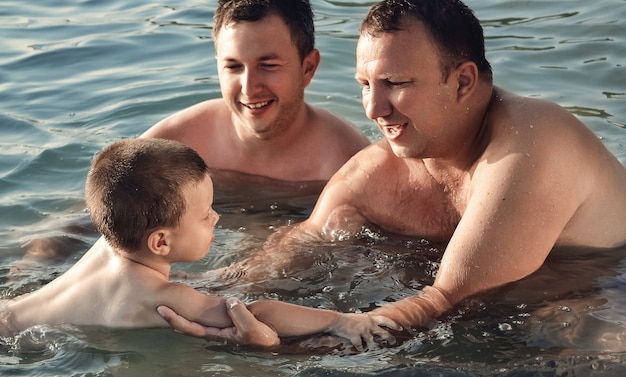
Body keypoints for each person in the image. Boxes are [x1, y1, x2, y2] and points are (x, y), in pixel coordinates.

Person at [159, 0, 626, 338]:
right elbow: (290, 252)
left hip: (606, 291)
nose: (373, 109)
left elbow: (443, 303)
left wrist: (279, 346)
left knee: (588, 342)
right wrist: (176, 294)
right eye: (365, 84)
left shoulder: (534, 142)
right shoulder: (380, 168)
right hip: (493, 310)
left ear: (463, 81)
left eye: (395, 83)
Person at [0, 138, 400, 350]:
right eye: (205, 214)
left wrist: (203, 277)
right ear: (160, 241)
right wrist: (343, 321)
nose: (216, 218)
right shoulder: (161, 296)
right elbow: (252, 313)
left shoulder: (108, 246)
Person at [142, 0, 369, 182]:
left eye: (268, 65)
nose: (249, 89)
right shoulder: (176, 145)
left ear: (308, 68)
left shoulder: (348, 164)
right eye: (233, 66)